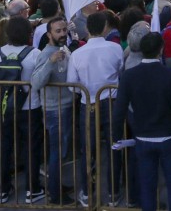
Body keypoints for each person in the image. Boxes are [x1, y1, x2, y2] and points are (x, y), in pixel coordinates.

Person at [111, 32, 171, 211]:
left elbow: (119, 110)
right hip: (168, 137)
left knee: (147, 187)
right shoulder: (170, 74)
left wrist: (115, 135)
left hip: (143, 138)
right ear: (161, 50)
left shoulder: (129, 76)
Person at [68, 11, 124, 205]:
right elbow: (121, 70)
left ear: (87, 29)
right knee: (113, 147)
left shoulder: (77, 54)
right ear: (105, 27)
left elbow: (71, 83)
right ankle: (113, 193)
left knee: (88, 150)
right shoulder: (115, 49)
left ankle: (86, 191)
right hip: (111, 102)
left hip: (87, 103)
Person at [30, 16, 83, 204]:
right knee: (57, 152)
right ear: (49, 34)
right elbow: (35, 82)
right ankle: (56, 194)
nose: (62, 34)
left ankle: (56, 186)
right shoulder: (47, 54)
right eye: (58, 31)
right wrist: (50, 61)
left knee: (61, 151)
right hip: (55, 110)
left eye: (63, 30)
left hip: (66, 106)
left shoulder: (63, 48)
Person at [0, 16, 43, 204]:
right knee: (31, 147)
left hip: (5, 106)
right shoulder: (35, 53)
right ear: (28, 33)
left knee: (4, 147)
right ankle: (32, 188)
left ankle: (3, 189)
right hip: (31, 106)